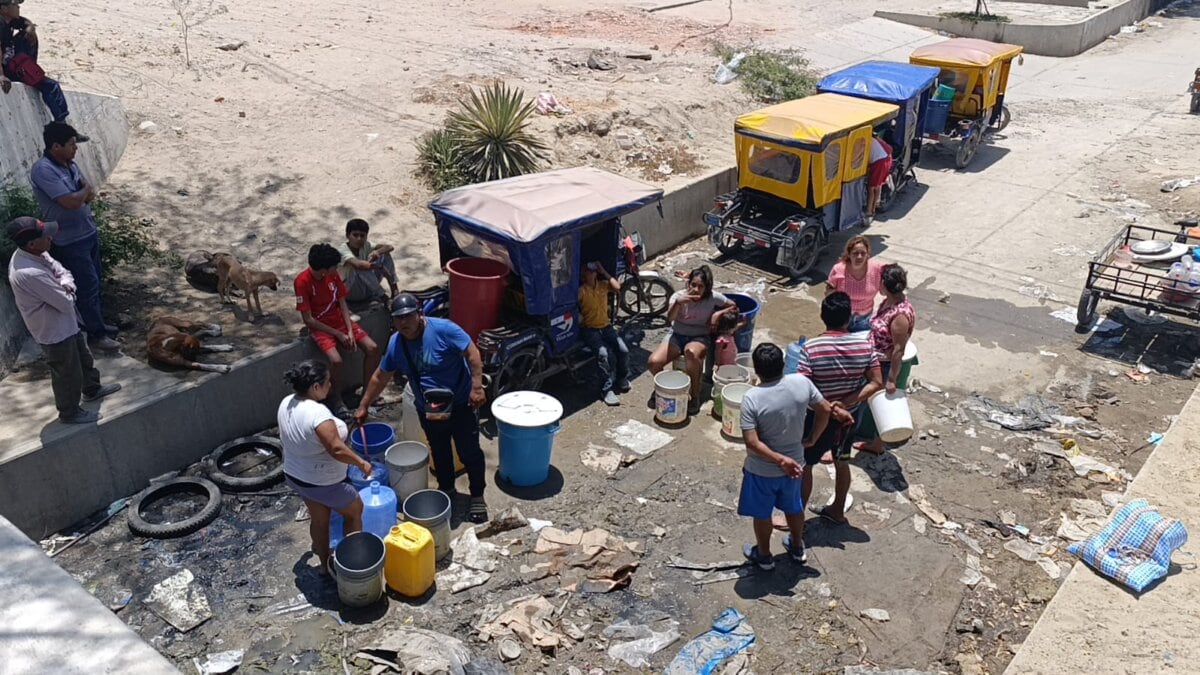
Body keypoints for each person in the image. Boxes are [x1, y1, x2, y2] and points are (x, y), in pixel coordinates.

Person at [355, 293, 490, 523]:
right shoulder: (396, 343)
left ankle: (477, 495)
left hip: (460, 404)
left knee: (469, 451)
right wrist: (364, 404)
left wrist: (476, 387)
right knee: (439, 450)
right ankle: (447, 489)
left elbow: (472, 353)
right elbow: (381, 376)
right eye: (399, 318)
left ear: (420, 314)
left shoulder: (444, 330)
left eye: (408, 316)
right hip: (429, 409)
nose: (404, 322)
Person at [738, 343, 852, 569]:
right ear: (783, 365)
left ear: (757, 371)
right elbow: (825, 409)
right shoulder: (801, 382)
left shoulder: (752, 398)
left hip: (762, 470)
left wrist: (780, 459)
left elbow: (751, 442)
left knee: (762, 513)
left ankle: (764, 555)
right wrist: (813, 438)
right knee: (794, 507)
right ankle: (798, 546)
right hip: (796, 467)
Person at [6, 217, 120, 423]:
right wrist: (69, 287)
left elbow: (60, 269)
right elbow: (66, 302)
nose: (51, 237)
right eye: (45, 235)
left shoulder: (37, 253)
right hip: (54, 331)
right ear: (31, 243)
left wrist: (66, 281)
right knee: (67, 372)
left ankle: (92, 389)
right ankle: (69, 412)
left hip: (67, 323)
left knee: (83, 358)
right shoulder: (29, 273)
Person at [279, 359, 373, 576]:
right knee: (355, 510)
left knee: (320, 520)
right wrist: (361, 462)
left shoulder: (286, 403)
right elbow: (336, 449)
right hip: (324, 482)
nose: (331, 386)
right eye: (328, 382)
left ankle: (323, 566)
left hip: (297, 476)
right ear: (315, 387)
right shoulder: (317, 414)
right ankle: (353, 563)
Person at [796, 292, 882, 524]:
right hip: (848, 419)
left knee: (805, 466)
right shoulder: (865, 346)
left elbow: (803, 388)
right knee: (842, 461)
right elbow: (876, 382)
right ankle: (837, 510)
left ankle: (796, 517)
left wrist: (829, 406)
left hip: (815, 420)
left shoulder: (811, 348)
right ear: (849, 318)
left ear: (823, 316)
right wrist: (847, 403)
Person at [30, 122, 116, 351]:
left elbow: (89, 195)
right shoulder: (43, 170)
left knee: (95, 282)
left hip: (87, 232)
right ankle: (96, 336)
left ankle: (98, 324)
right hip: (69, 240)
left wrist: (83, 193)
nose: (75, 149)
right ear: (55, 146)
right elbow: (70, 202)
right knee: (86, 287)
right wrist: (83, 192)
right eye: (70, 144)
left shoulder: (70, 164)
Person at [295, 243, 381, 418]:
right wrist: (338, 334)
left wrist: (349, 330)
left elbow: (342, 302)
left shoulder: (333, 276)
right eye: (334, 267)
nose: (337, 269)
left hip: (341, 321)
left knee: (372, 348)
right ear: (324, 270)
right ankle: (337, 399)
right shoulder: (302, 282)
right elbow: (308, 319)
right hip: (320, 327)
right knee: (336, 360)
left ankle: (368, 393)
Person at [646, 265, 737, 415]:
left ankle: (695, 395)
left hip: (699, 336)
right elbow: (670, 318)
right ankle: (667, 387)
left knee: (691, 353)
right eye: (693, 284)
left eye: (700, 286)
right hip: (676, 335)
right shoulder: (678, 296)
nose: (695, 289)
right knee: (653, 362)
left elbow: (733, 306)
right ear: (688, 283)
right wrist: (679, 303)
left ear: (706, 288)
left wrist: (717, 314)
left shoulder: (713, 297)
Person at [854, 264, 915, 455]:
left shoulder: (900, 315)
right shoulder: (888, 302)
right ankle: (875, 443)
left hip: (883, 365)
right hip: (873, 360)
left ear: (884, 285)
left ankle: (871, 442)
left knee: (863, 401)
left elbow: (898, 350)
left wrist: (891, 379)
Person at [0, 0, 80, 129]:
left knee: (28, 35)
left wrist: (30, 27)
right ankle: (62, 126)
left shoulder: (10, 21)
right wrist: (1, 75)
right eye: (14, 4)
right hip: (7, 68)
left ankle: (31, 70)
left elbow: (25, 22)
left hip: (12, 63)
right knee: (51, 86)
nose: (18, 7)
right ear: (3, 9)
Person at [578, 261, 629, 406]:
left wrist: (604, 271)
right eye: (589, 271)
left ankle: (622, 377)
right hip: (590, 329)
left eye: (594, 271)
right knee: (602, 355)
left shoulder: (602, 286)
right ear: (584, 274)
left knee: (623, 351)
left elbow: (618, 287)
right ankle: (606, 389)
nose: (592, 273)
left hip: (606, 327)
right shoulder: (582, 291)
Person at [826, 235, 884, 332]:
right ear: (848, 254)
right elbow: (828, 293)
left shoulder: (877, 269)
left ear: (868, 254)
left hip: (865, 320)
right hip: (841, 320)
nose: (859, 256)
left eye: (863, 253)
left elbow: (893, 278)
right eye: (855, 253)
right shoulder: (838, 269)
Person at [339, 218, 398, 305]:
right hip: (350, 293)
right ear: (347, 235)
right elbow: (359, 265)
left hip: (368, 290)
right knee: (359, 267)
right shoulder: (343, 249)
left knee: (385, 255)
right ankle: (384, 297)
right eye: (355, 235)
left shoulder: (366, 245)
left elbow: (389, 247)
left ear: (366, 236)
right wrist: (379, 266)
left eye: (362, 236)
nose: (359, 239)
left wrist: (377, 252)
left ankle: (395, 291)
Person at [866, 132, 893, 219]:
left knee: (871, 188)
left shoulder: (865, 141)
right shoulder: (876, 139)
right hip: (888, 158)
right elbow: (889, 149)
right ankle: (873, 208)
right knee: (878, 185)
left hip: (879, 163)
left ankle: (869, 211)